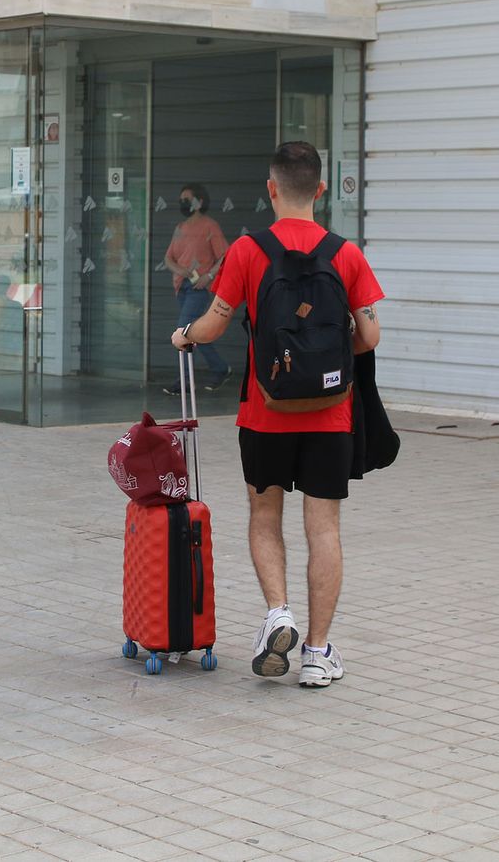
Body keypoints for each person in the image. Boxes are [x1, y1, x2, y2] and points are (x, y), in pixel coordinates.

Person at [171, 142, 383, 688]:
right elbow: (369, 335)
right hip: (331, 415)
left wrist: (185, 335)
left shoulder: (247, 250)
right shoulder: (345, 252)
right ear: (319, 190)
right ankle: (317, 654)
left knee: (265, 516)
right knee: (324, 528)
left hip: (264, 413)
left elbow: (216, 325)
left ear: (271, 190)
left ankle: (278, 614)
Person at [162, 182, 231, 393]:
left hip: (198, 288)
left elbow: (225, 256)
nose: (183, 202)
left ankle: (184, 380)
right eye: (181, 199)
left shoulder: (210, 226)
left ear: (199, 202)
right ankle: (220, 368)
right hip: (181, 287)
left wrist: (208, 275)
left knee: (183, 330)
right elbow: (168, 258)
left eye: (187, 198)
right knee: (194, 332)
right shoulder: (180, 228)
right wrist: (180, 270)